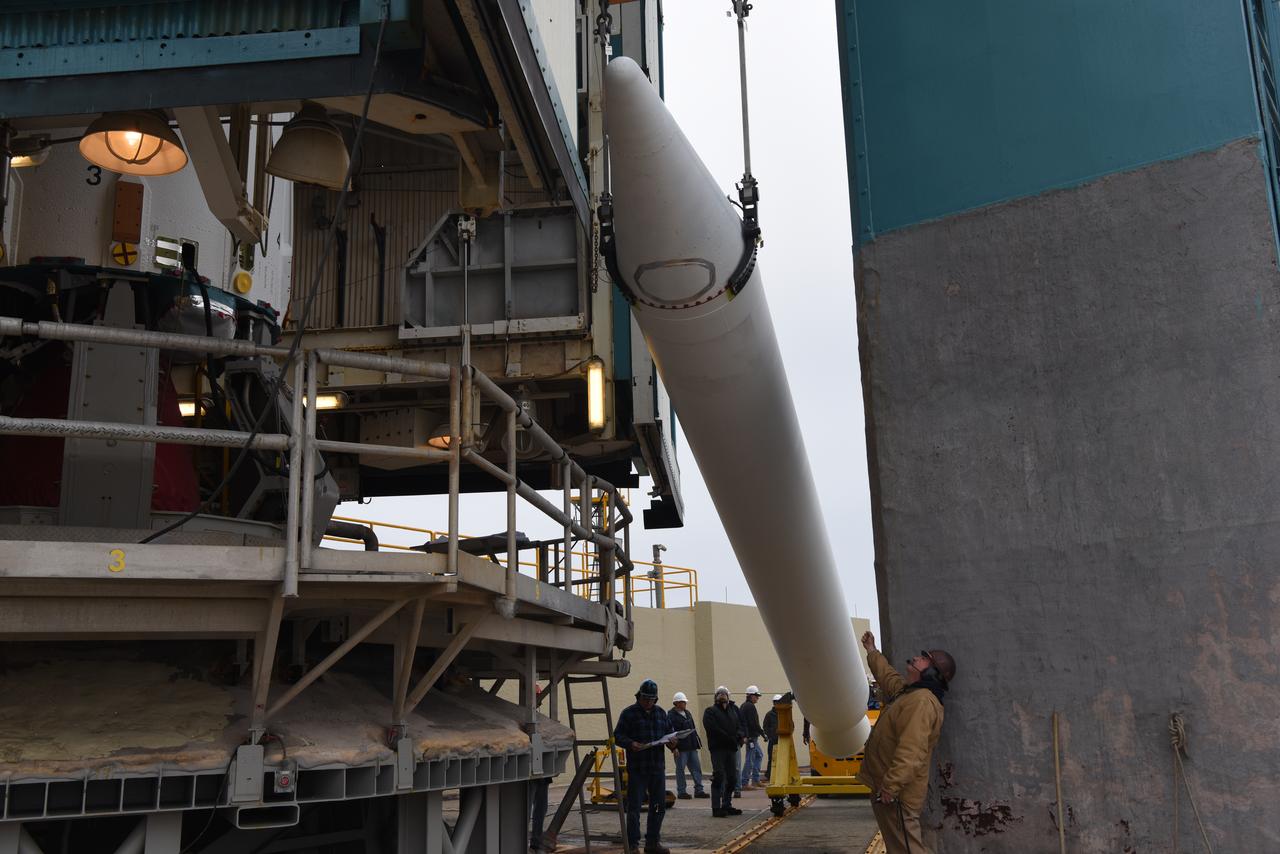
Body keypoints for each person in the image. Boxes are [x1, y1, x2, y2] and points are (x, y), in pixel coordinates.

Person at [857, 631, 957, 854]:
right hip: (889, 790)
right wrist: (872, 651)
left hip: (897, 795)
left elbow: (911, 751)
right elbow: (888, 677)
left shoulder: (922, 702)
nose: (917, 658)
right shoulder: (910, 693)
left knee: (907, 849)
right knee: (900, 847)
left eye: (924, 658)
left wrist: (891, 787)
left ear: (932, 672)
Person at [614, 678, 678, 854]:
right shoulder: (629, 714)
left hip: (656, 768)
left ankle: (652, 843)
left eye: (652, 699)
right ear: (639, 696)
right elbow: (618, 735)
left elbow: (669, 735)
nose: (649, 702)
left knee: (658, 806)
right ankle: (633, 845)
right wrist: (630, 743)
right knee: (634, 807)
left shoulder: (661, 714)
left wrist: (673, 745)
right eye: (646, 699)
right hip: (638, 769)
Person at [702, 686, 745, 818]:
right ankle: (716, 807)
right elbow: (712, 729)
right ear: (716, 697)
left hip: (731, 748)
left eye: (724, 694)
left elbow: (739, 726)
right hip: (718, 748)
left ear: (728, 696)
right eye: (720, 694)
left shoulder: (733, 711)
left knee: (732, 778)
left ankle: (727, 804)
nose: (722, 695)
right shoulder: (710, 711)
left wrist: (740, 736)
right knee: (719, 776)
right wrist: (730, 738)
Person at [668, 691, 708, 799]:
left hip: (691, 746)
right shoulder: (671, 716)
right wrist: (674, 748)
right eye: (683, 702)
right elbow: (669, 733)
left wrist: (697, 742)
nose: (685, 704)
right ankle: (681, 792)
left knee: (696, 768)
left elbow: (693, 729)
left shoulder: (688, 713)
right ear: (676, 703)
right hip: (681, 748)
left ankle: (699, 790)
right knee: (680, 769)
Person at [738, 685, 764, 790]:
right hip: (751, 737)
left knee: (759, 755)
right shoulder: (750, 707)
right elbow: (753, 723)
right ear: (750, 695)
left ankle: (755, 780)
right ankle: (744, 782)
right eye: (756, 695)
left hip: (750, 736)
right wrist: (762, 733)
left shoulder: (744, 706)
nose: (757, 698)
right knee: (750, 758)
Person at [762, 694, 781, 781]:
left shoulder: (784, 714)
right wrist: (771, 736)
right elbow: (765, 727)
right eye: (776, 702)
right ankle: (769, 775)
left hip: (783, 741)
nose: (777, 704)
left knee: (782, 759)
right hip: (773, 741)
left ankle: (780, 776)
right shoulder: (769, 715)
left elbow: (791, 725)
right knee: (772, 758)